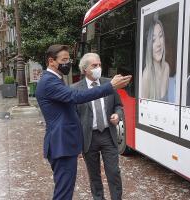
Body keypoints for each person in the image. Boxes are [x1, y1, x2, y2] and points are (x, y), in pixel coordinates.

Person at [35, 45, 131, 200]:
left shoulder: (54, 80)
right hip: (62, 144)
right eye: (64, 60)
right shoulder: (49, 82)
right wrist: (110, 86)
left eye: (69, 59)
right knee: (63, 193)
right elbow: (76, 97)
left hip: (68, 143)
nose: (67, 63)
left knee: (66, 189)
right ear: (51, 61)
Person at [73, 53, 123, 200]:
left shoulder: (110, 84)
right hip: (89, 137)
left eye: (99, 64)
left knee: (114, 172)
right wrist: (76, 144)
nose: (98, 68)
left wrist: (117, 115)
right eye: (94, 66)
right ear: (84, 69)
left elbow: (119, 105)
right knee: (94, 175)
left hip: (108, 134)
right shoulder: (76, 89)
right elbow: (74, 117)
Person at [141, 13, 171, 102]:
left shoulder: (166, 67)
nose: (158, 44)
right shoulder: (147, 75)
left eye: (161, 36)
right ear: (148, 46)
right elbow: (143, 109)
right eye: (153, 40)